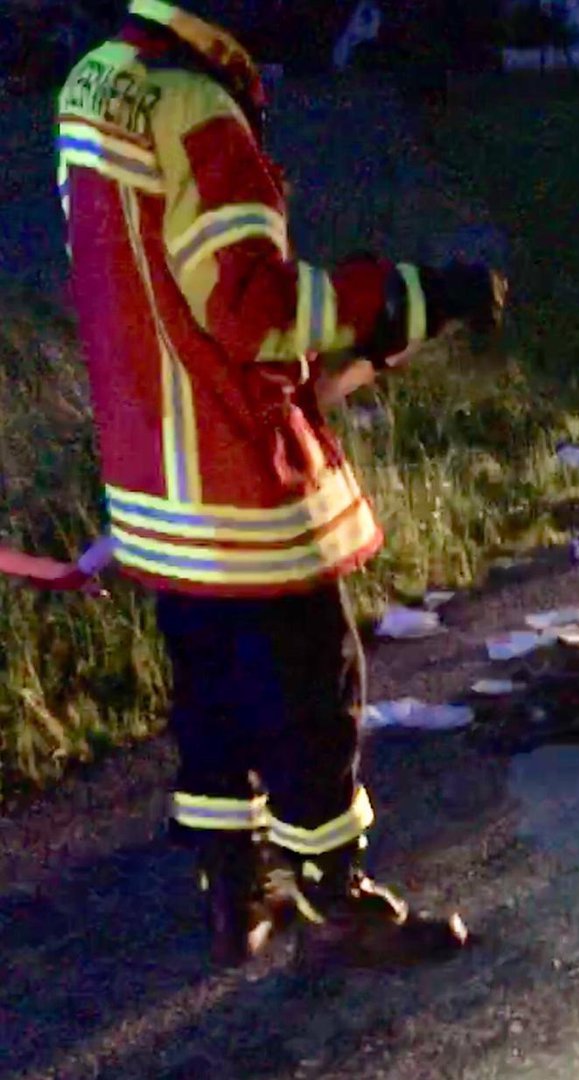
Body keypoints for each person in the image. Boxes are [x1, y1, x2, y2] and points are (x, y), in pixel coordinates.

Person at [55, 1, 507, 967]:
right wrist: (413, 295)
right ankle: (335, 904)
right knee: (314, 696)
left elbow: (150, 290)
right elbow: (255, 310)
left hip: (154, 482)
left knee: (212, 696)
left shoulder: (96, 81)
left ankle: (237, 896)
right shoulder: (198, 112)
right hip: (240, 484)